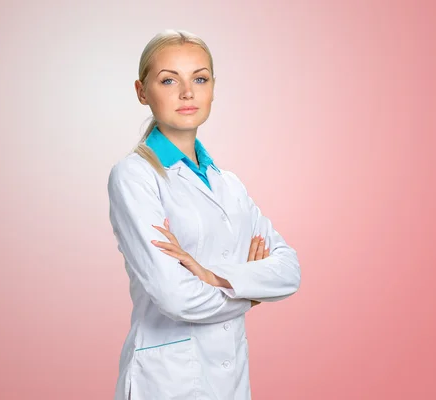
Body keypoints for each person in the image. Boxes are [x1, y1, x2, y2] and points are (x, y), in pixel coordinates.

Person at [107, 29, 301, 400]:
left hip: (230, 376)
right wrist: (252, 292)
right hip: (167, 380)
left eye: (200, 78)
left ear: (213, 87)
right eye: (168, 80)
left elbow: (289, 270)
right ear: (142, 91)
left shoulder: (229, 184)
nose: (187, 92)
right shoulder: (134, 176)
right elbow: (175, 297)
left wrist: (214, 276)